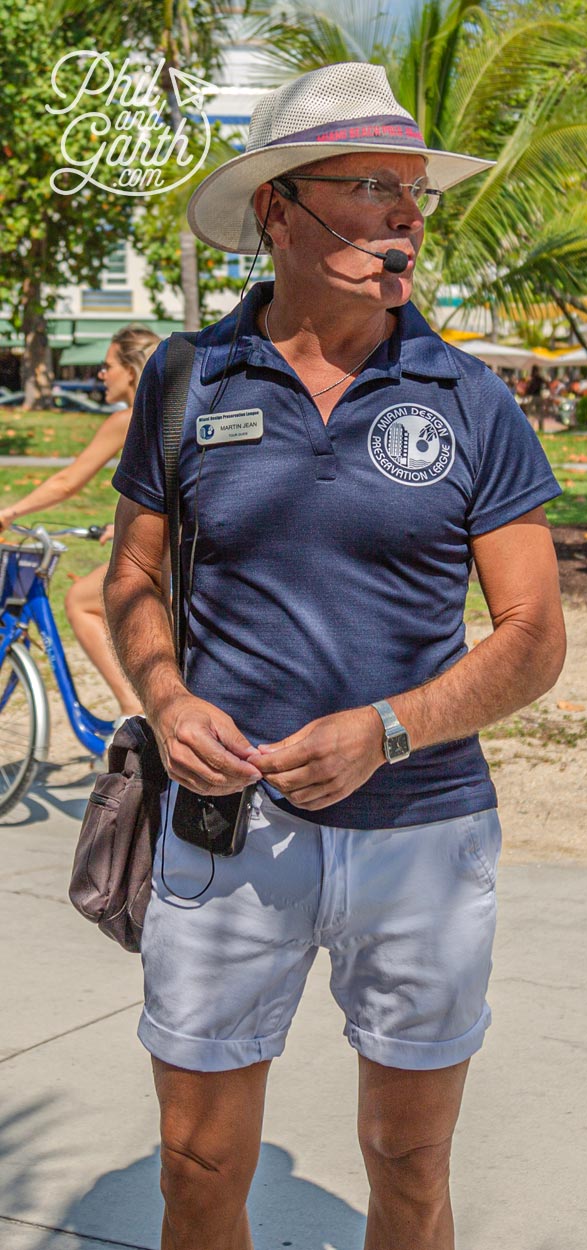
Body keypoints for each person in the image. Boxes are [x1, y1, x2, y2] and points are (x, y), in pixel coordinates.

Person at [105, 64, 563, 1249]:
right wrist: (163, 697)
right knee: (197, 1165)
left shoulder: (471, 398)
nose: (403, 216)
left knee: (408, 1164)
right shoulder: (185, 377)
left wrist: (392, 725)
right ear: (277, 211)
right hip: (225, 829)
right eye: (369, 188)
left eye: (413, 193)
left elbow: (535, 638)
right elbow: (131, 580)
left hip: (423, 827)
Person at [0, 324, 159, 719]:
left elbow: (68, 482)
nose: (100, 375)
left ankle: (131, 711)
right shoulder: (168, 409)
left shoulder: (129, 417)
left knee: (81, 601)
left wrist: (9, 513)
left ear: (132, 369)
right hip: (186, 545)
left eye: (107, 366)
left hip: (168, 552)